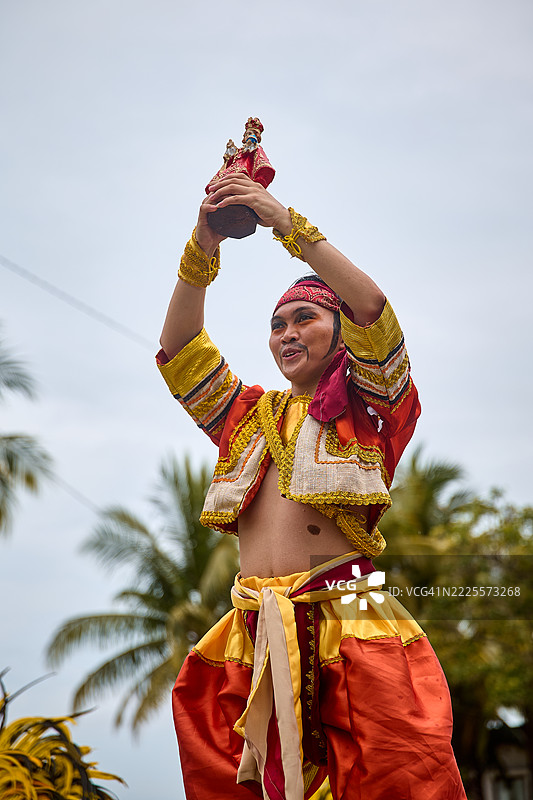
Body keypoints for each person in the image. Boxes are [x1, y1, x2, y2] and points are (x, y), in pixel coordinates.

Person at [157, 173, 467, 800]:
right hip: (252, 631)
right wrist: (203, 243)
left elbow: (373, 309)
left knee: (392, 778)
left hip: (348, 625)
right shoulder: (244, 414)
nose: (288, 333)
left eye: (306, 318)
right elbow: (180, 349)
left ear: (341, 332)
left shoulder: (370, 408)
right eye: (277, 325)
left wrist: (285, 224)